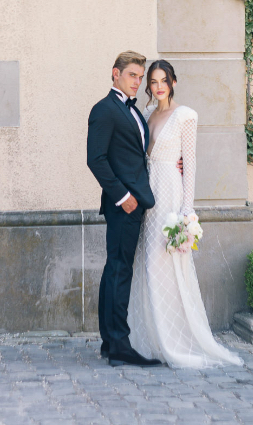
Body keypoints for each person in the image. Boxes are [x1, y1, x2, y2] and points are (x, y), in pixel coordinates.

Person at [128, 59, 243, 368]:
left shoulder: (185, 116)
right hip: (148, 193)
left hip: (169, 194)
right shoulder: (149, 114)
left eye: (164, 80)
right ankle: (151, 339)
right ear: (149, 86)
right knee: (147, 263)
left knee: (164, 263)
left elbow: (189, 162)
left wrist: (187, 211)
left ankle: (175, 340)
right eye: (153, 81)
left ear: (173, 82)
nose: (159, 86)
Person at [86, 51, 162, 368]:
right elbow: (96, 159)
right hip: (124, 206)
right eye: (132, 74)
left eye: (140, 76)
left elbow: (136, 153)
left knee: (115, 270)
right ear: (115, 73)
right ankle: (119, 344)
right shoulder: (104, 110)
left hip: (134, 200)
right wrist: (122, 196)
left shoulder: (131, 110)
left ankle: (109, 342)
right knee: (120, 272)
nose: (138, 81)